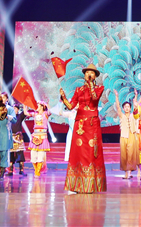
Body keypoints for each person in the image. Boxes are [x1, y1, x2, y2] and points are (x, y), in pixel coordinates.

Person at [60, 63, 107, 193]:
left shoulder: (99, 88)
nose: (89, 74)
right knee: (78, 153)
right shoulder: (78, 90)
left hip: (92, 124)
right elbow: (71, 106)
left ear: (95, 76)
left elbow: (94, 98)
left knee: (91, 152)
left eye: (91, 73)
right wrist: (64, 98)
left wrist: (91, 85)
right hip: (80, 124)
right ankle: (76, 185)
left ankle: (91, 184)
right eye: (87, 72)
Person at [113, 89, 140, 180]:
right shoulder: (122, 115)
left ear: (130, 108)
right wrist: (116, 96)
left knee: (130, 154)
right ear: (124, 109)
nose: (127, 108)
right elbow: (118, 107)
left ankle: (129, 172)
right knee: (124, 155)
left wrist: (136, 96)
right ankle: (126, 173)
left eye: (128, 106)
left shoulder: (133, 115)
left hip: (131, 135)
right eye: (125, 107)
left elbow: (136, 106)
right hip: (123, 136)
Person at [0, 92, 16, 180]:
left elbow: (14, 120)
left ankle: (2, 173)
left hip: (5, 134)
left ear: (7, 99)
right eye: (0, 98)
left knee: (4, 154)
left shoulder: (9, 109)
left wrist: (7, 116)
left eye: (4, 98)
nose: (2, 99)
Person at [26, 101, 52, 176]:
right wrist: (25, 105)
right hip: (35, 137)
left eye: (38, 105)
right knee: (33, 156)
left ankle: (37, 172)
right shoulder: (35, 114)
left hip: (43, 137)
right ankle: (36, 171)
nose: (36, 106)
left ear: (42, 106)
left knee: (41, 156)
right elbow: (26, 113)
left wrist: (47, 104)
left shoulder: (45, 114)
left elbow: (50, 112)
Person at [8, 104, 29, 176]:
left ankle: (21, 170)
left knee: (20, 154)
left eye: (15, 108)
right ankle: (10, 170)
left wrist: (25, 105)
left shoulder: (20, 116)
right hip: (10, 137)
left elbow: (25, 112)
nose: (14, 110)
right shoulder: (9, 117)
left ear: (17, 110)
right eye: (13, 108)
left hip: (18, 137)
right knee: (10, 154)